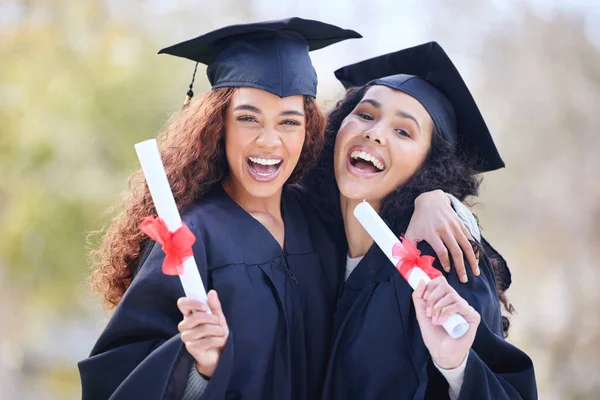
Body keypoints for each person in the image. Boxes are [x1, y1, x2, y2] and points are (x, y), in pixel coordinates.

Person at [78, 18, 361, 400]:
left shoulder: (321, 223)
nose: (269, 140)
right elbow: (118, 380)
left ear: (308, 130)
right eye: (248, 118)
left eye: (289, 122)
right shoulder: (190, 236)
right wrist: (200, 369)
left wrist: (436, 202)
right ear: (218, 125)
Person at [304, 42, 537, 399]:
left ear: (428, 165)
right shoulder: (306, 238)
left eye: (403, 131)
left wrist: (457, 367)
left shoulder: (442, 259)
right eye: (366, 114)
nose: (375, 132)